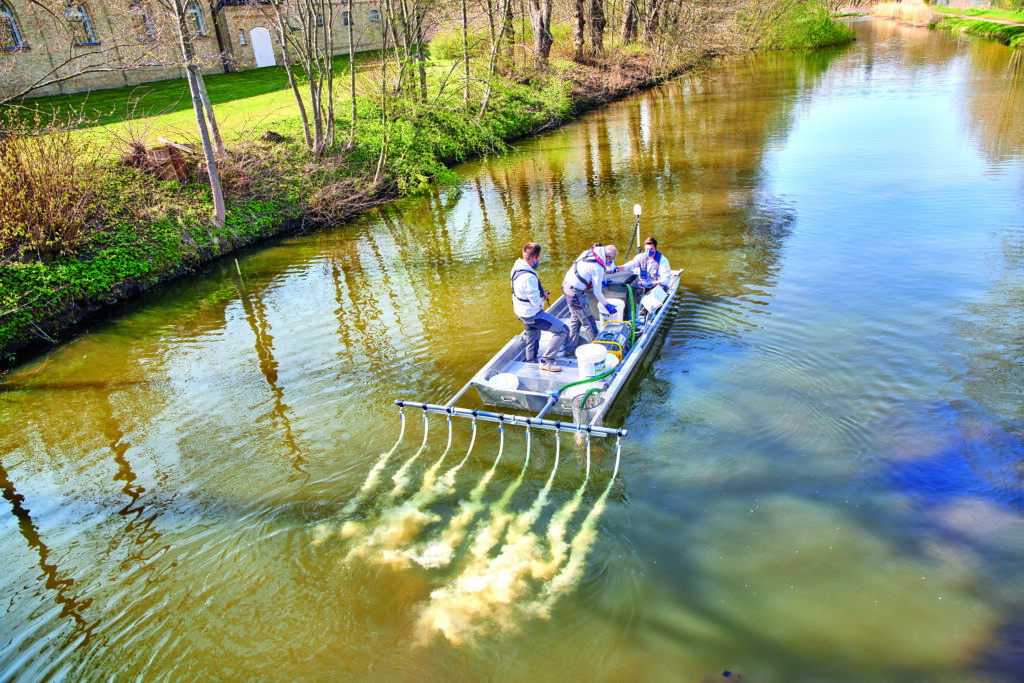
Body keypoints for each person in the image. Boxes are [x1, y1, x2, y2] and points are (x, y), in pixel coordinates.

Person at [511, 242, 569, 373]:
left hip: (521, 312)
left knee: (533, 336)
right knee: (563, 330)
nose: (539, 261)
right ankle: (546, 361)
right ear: (533, 258)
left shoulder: (516, 269)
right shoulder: (529, 277)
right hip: (533, 314)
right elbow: (536, 303)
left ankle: (530, 362)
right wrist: (544, 297)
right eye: (538, 258)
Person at [560, 243, 619, 357]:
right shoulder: (598, 267)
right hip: (575, 292)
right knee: (589, 321)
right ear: (608, 258)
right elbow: (597, 292)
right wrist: (607, 305)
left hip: (566, 285)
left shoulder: (590, 252)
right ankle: (601, 351)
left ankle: (570, 349)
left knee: (576, 319)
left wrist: (602, 280)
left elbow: (582, 269)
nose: (611, 262)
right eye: (612, 260)